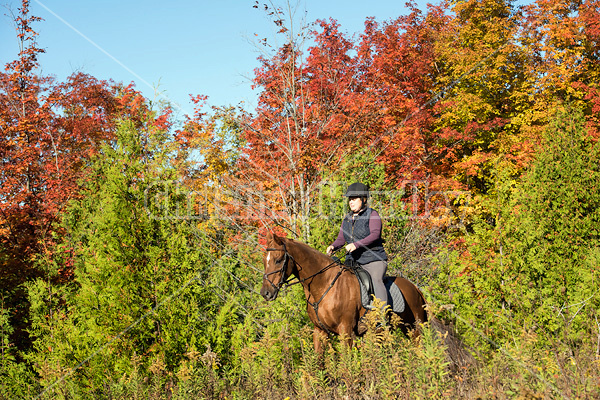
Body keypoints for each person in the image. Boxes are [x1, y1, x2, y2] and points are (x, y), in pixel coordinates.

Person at [326, 182, 388, 309]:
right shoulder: (347, 218)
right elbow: (341, 239)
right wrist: (333, 246)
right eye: (350, 199)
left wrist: (356, 245)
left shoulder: (372, 214)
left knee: (376, 280)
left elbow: (375, 234)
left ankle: (383, 315)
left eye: (354, 199)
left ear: (363, 199)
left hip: (373, 259)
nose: (351, 202)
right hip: (353, 261)